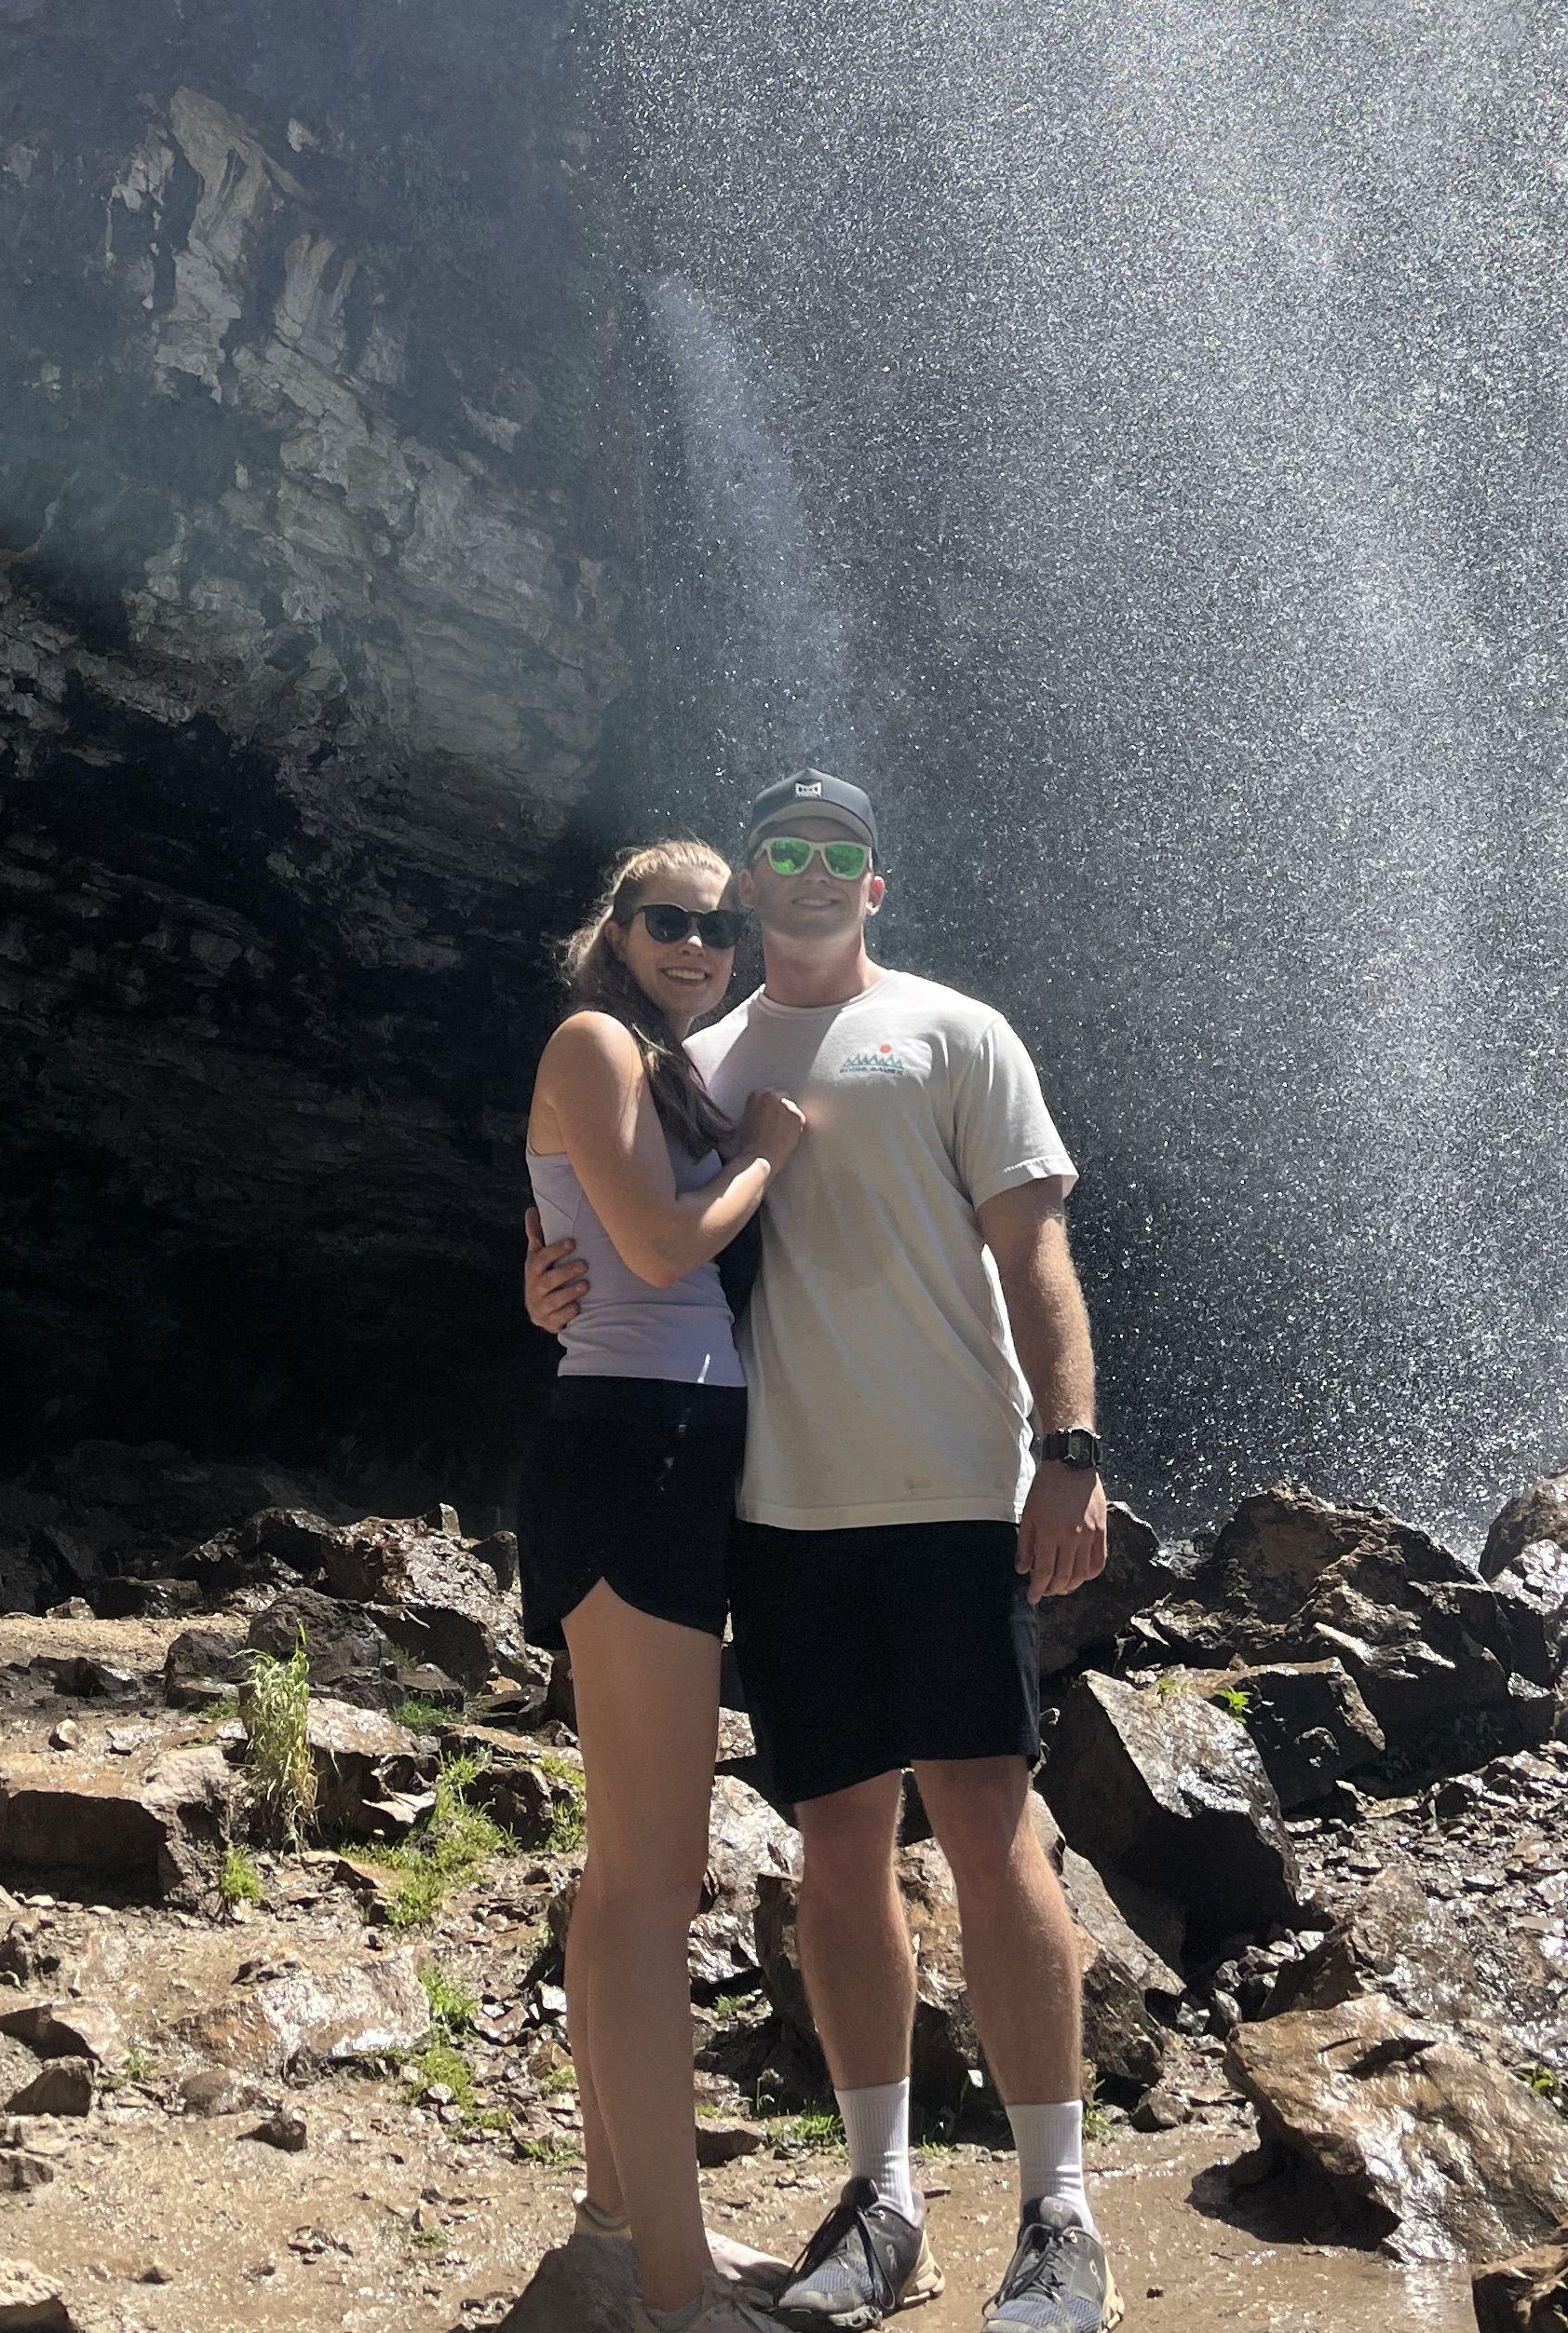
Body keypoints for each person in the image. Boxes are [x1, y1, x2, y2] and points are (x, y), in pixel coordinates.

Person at [528, 771, 1119, 2333]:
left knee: (993, 1832)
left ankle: (1061, 2215)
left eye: (828, 857)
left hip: (947, 1491)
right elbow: (633, 1239)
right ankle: (883, 2198)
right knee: (836, 1847)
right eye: (763, 862)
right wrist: (551, 1278)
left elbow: (1037, 1251)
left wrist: (1070, 1450)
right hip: (774, 1511)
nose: (784, 886)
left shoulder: (953, 1030)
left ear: (873, 885)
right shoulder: (696, 1060)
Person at [520, 836, 818, 2333]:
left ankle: (618, 2224)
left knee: (627, 1875)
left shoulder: (655, 1065)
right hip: (632, 1455)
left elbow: (595, 1249)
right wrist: (769, 1148)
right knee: (652, 1887)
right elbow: (649, 1241)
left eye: (721, 923)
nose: (700, 941)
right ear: (619, 930)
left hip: (660, 1449)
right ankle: (675, 2288)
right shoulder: (593, 1039)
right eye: (672, 921)